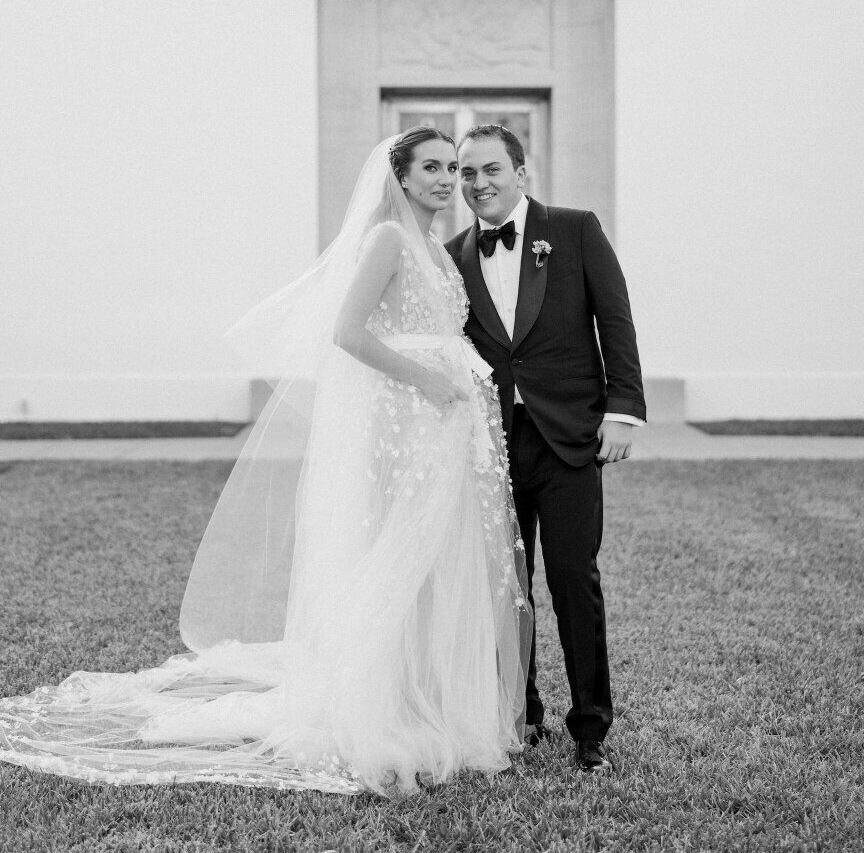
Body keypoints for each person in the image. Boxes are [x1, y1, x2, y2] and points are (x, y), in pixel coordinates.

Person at [0, 128, 530, 796]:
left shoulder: (439, 249)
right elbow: (348, 332)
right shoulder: (388, 240)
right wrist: (425, 380)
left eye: (451, 168)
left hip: (443, 433)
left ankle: (429, 698)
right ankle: (379, 708)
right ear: (399, 176)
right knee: (395, 560)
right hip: (403, 425)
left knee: (431, 570)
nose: (446, 180)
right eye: (431, 168)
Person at [446, 124, 646, 774]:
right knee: (507, 590)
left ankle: (590, 729)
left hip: (568, 439)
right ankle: (521, 714)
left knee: (572, 582)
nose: (478, 184)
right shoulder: (454, 255)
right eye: (466, 173)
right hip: (491, 444)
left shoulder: (576, 229)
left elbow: (615, 321)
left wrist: (622, 411)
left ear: (521, 172)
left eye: (491, 170)